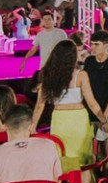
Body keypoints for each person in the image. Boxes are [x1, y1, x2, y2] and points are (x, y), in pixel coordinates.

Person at [34, 39, 94, 170]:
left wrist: (33, 126)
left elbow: (40, 105)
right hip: (79, 119)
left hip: (59, 119)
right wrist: (103, 119)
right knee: (81, 156)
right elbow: (91, 102)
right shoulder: (81, 75)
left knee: (62, 154)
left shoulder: (48, 75)